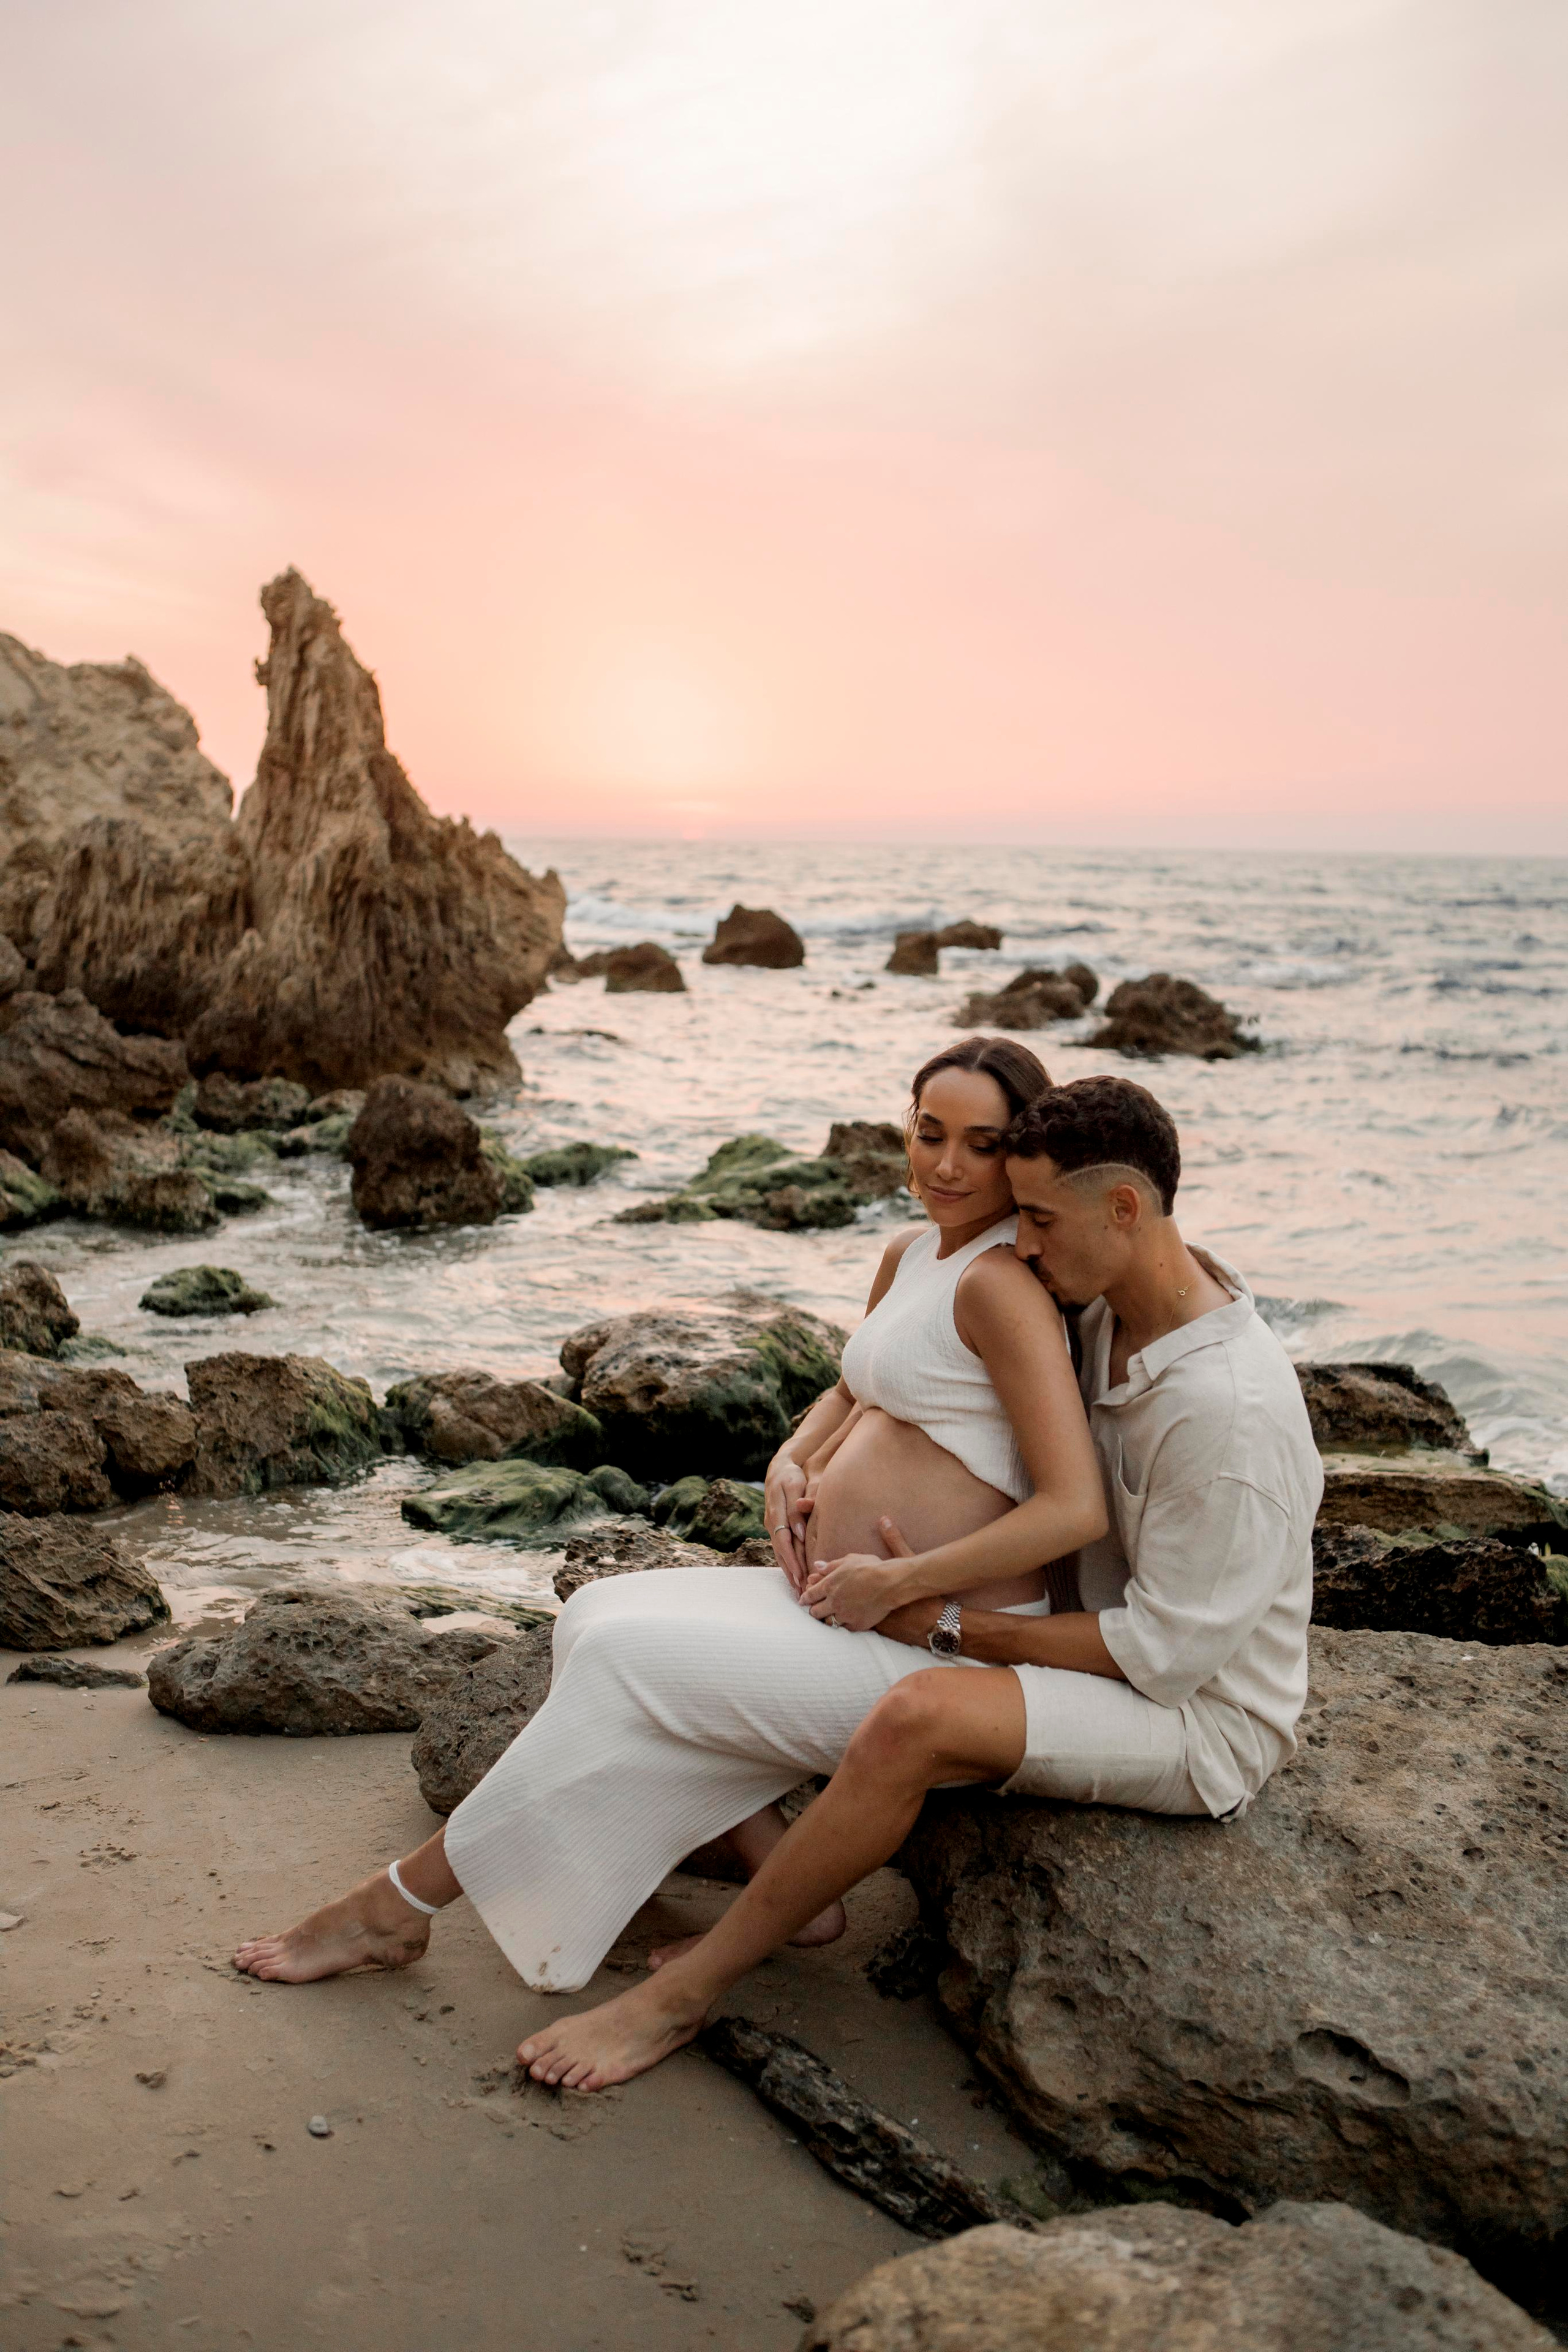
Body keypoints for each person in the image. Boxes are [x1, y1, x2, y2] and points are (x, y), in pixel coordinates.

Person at [494, 1073, 1324, 2091]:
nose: (1021, 1246)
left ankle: (683, 1996)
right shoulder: (1111, 1305)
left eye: (1039, 1220)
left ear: (1125, 1209)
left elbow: (1166, 1655)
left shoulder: (1227, 1414)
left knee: (913, 1717)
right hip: (1098, 1637)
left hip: (1198, 1719)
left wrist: (942, 1621)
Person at [233, 1036, 1105, 2003]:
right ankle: (787, 1884)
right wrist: (790, 1458)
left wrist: (900, 1581)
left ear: (1020, 1154)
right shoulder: (913, 1254)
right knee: (591, 1616)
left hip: (933, 1645)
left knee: (624, 1661)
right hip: (842, 1605)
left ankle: (399, 1902)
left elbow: (1075, 1508)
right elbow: (854, 1388)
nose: (946, 1165)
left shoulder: (1001, 1285)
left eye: (981, 1145)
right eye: (930, 1133)